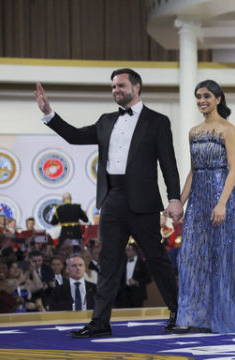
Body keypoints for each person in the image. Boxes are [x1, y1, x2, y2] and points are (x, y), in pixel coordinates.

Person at [34, 67, 183, 338]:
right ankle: (100, 322)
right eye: (113, 87)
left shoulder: (158, 121)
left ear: (136, 87)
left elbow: (168, 164)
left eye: (121, 86)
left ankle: (179, 313)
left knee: (157, 258)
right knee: (108, 260)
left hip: (144, 202)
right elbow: (76, 136)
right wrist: (49, 114)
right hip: (112, 198)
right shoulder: (105, 121)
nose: (116, 91)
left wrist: (174, 198)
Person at [174, 80, 235, 334]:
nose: (201, 100)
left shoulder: (227, 129)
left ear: (218, 99)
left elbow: (233, 170)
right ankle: (191, 317)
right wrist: (179, 201)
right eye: (198, 96)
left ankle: (221, 317)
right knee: (191, 257)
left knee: (220, 259)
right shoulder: (193, 132)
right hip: (197, 201)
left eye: (206, 96)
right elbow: (192, 172)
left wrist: (221, 203)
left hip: (221, 199)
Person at [116, 243, 152, 308]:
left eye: (129, 250)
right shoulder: (122, 262)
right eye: (126, 250)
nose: (127, 252)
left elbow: (148, 278)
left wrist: (136, 282)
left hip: (137, 294)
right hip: (124, 294)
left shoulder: (142, 263)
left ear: (134, 251)